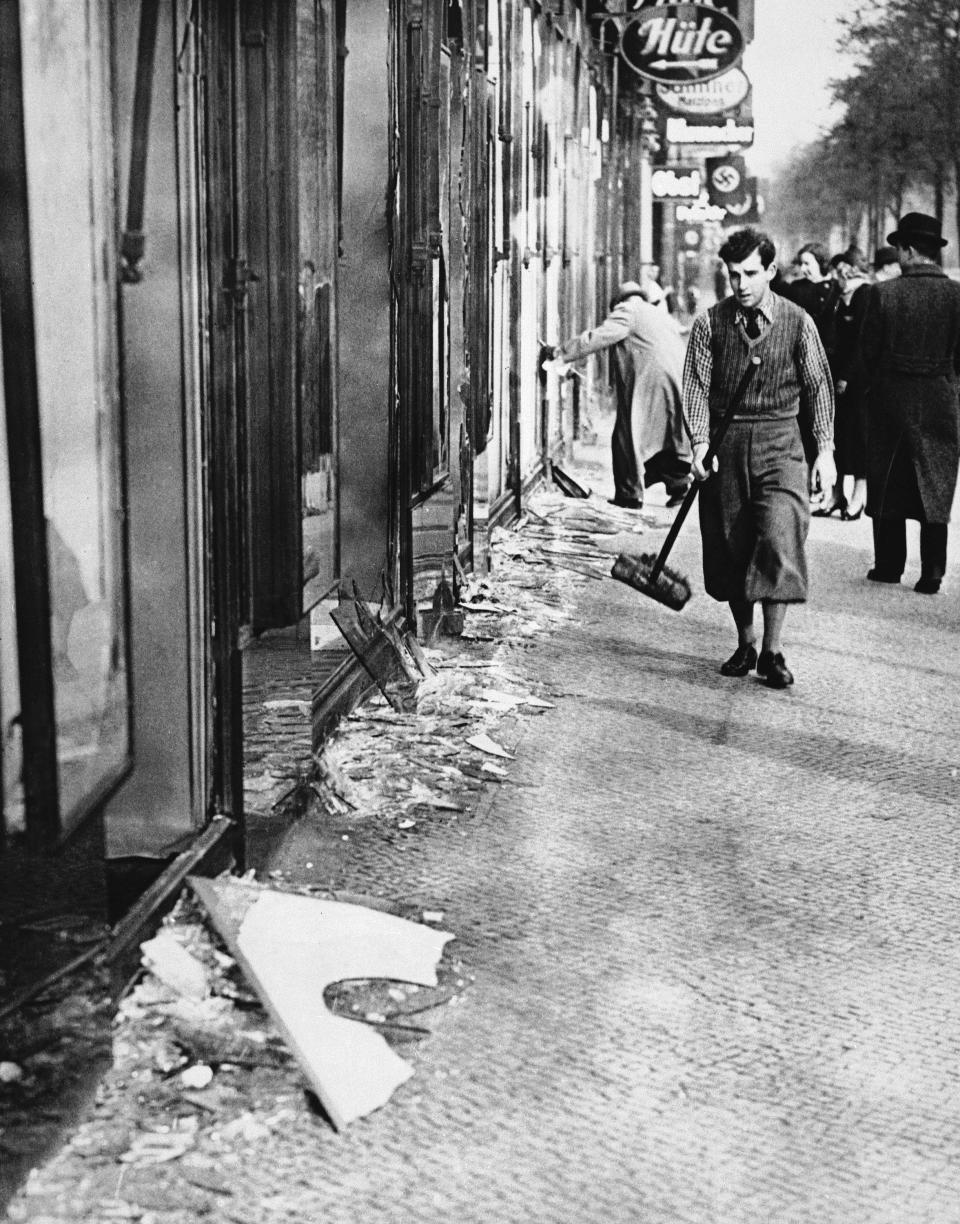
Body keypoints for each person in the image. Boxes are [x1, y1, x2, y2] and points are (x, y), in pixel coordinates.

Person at [683, 228, 836, 688]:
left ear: (770, 270)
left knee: (778, 539)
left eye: (751, 273)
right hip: (726, 448)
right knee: (733, 546)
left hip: (781, 445)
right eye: (734, 275)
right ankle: (745, 642)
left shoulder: (798, 321)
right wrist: (699, 444)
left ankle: (772, 652)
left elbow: (818, 386)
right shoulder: (710, 324)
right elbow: (695, 386)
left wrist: (825, 450)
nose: (742, 284)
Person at [860, 212, 960, 594]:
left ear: (908, 249)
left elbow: (868, 353)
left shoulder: (882, 294)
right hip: (939, 397)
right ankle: (932, 571)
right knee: (935, 480)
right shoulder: (956, 295)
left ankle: (889, 565)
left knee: (888, 479)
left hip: (891, 396)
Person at [551, 280, 692, 509]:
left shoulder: (628, 310)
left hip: (652, 381)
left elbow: (598, 337)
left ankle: (630, 495)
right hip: (676, 378)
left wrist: (560, 352)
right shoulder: (657, 313)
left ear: (619, 301)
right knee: (667, 434)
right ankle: (679, 486)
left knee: (627, 434)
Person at [813, 249, 871, 520]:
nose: (836, 275)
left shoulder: (865, 294)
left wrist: (848, 375)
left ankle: (859, 495)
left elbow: (863, 340)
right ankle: (836, 494)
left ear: (851, 268)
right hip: (833, 375)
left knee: (858, 436)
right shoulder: (838, 296)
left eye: (840, 270)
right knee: (836, 434)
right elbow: (826, 328)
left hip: (858, 380)